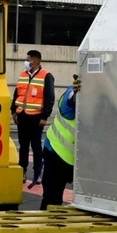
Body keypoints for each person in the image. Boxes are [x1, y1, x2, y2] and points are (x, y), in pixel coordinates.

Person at [11, 50, 54, 186]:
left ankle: (37, 173)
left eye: (28, 59)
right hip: (22, 115)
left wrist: (45, 116)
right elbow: (17, 94)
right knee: (23, 146)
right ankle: (22, 171)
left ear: (35, 61)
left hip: (36, 117)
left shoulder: (46, 76)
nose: (26, 61)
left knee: (36, 146)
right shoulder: (23, 75)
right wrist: (13, 111)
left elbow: (50, 97)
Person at [39, 75, 79, 210]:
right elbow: (73, 98)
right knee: (52, 200)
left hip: (76, 159)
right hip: (56, 153)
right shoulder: (72, 93)